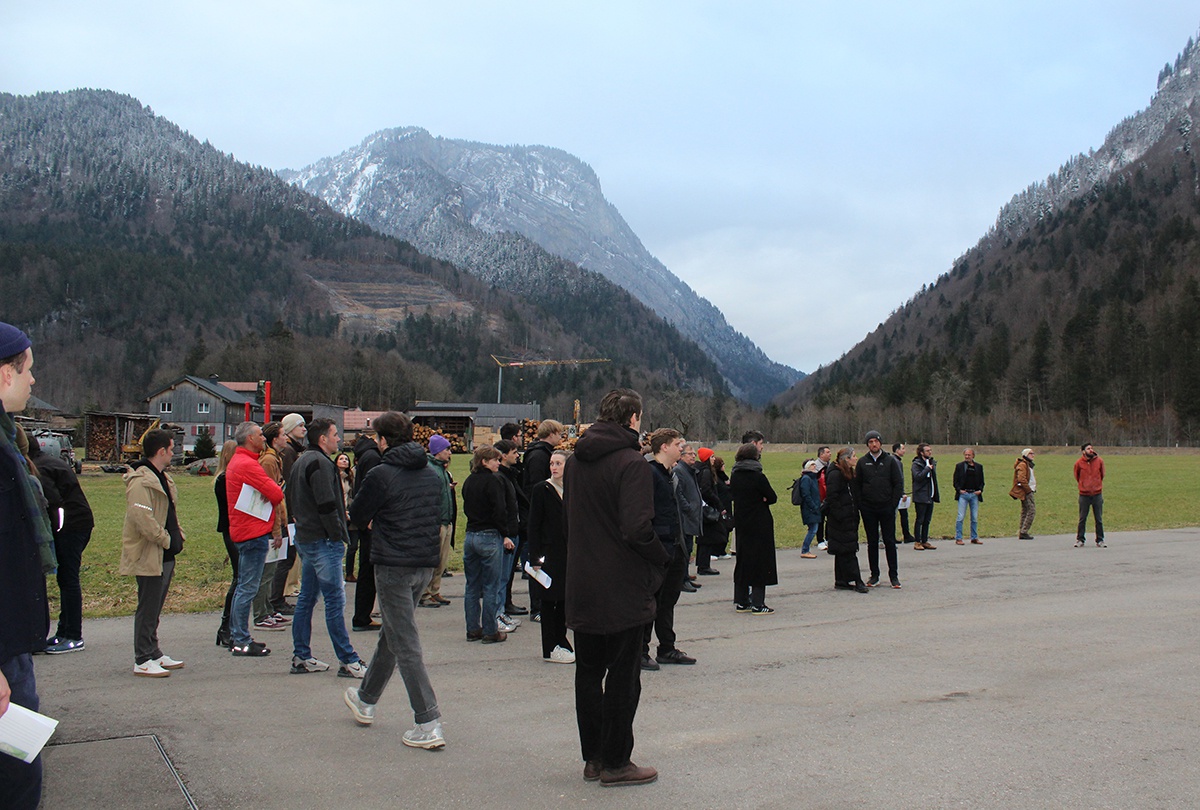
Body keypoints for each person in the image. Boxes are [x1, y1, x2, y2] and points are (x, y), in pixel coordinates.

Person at [564, 389, 667, 787]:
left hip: (583, 580)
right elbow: (637, 528)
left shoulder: (575, 461)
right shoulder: (631, 463)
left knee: (588, 674)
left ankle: (593, 757)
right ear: (634, 418)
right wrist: (661, 557)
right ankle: (616, 761)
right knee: (623, 676)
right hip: (622, 584)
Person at [344, 411, 445, 748]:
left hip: (393, 565)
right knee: (393, 634)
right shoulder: (430, 473)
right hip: (424, 563)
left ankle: (427, 720)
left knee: (406, 644)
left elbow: (358, 515)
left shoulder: (381, 474)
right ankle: (366, 698)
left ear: (383, 440)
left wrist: (374, 518)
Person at [0, 323, 54, 809]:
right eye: (28, 370)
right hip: (3, 651)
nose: (33, 380)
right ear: (5, 374)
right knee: (15, 778)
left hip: (12, 642)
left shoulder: (5, 441)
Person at [288, 418, 366, 679]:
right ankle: (348, 660)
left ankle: (301, 656)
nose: (338, 439)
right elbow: (326, 504)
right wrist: (336, 535)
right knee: (334, 600)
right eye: (334, 434)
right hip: (322, 540)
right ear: (322, 439)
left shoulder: (301, 461)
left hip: (307, 537)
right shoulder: (320, 464)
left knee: (307, 597)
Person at [119, 429, 186, 677]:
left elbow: (168, 511)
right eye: (171, 448)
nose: (173, 453)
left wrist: (177, 535)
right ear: (161, 451)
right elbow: (141, 518)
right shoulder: (140, 481)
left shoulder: (163, 478)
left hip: (165, 554)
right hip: (150, 553)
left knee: (156, 606)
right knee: (147, 607)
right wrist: (165, 539)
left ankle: (154, 651)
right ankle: (142, 658)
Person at [28, 434, 93, 653]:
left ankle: (74, 635)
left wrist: (52, 533)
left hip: (72, 526)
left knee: (69, 578)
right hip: (76, 523)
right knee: (65, 579)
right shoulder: (47, 462)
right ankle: (63, 631)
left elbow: (53, 504)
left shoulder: (39, 469)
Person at [225, 421, 285, 657]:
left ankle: (238, 636)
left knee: (244, 586)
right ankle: (241, 639)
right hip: (252, 532)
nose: (264, 438)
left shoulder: (239, 461)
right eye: (260, 435)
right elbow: (276, 493)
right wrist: (275, 488)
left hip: (246, 530)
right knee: (247, 588)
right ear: (250, 438)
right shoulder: (248, 464)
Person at [643, 428, 694, 669]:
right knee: (650, 602)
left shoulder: (668, 474)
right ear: (664, 447)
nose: (681, 448)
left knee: (667, 602)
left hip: (675, 547)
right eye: (677, 444)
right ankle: (640, 651)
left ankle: (667, 648)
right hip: (658, 550)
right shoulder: (650, 474)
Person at [460, 444, 516, 643]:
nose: (498, 464)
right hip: (490, 535)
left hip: (471, 534)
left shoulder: (469, 481)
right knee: (491, 585)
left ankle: (473, 628)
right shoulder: (493, 481)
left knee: (472, 586)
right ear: (484, 461)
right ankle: (490, 630)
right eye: (495, 460)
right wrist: (505, 533)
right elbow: (499, 510)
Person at [527, 449, 574, 663]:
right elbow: (534, 524)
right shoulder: (542, 489)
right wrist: (535, 557)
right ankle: (550, 646)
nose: (554, 467)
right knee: (549, 600)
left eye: (558, 463)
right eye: (552, 463)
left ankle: (561, 639)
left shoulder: (572, 489)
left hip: (567, 553)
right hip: (548, 553)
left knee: (563, 599)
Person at [730, 442, 779, 614]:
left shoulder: (735, 474)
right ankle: (758, 602)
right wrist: (762, 498)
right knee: (760, 560)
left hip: (742, 521)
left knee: (743, 559)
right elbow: (772, 497)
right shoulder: (758, 476)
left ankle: (741, 600)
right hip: (759, 521)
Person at [252, 421, 291, 633]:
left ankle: (268, 609)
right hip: (269, 522)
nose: (286, 438)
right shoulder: (268, 461)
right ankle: (261, 614)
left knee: (273, 567)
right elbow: (269, 497)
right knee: (266, 572)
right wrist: (276, 529)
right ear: (274, 438)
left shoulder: (276, 458)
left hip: (278, 518)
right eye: (283, 435)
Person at [269, 412, 307, 615]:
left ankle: (276, 597)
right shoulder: (289, 452)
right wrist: (292, 512)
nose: (304, 429)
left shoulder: (292, 450)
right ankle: (276, 599)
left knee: (287, 556)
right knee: (286, 556)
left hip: (288, 511)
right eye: (300, 425)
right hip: (288, 512)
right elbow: (289, 485)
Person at [855, 429, 903, 589]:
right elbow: (857, 485)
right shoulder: (862, 462)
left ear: (880, 443)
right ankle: (874, 575)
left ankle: (894, 576)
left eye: (876, 441)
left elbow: (898, 483)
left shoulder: (890, 461)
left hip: (886, 507)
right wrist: (861, 505)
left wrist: (893, 504)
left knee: (889, 541)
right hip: (868, 508)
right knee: (872, 542)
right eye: (870, 442)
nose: (873, 444)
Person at [493, 439, 528, 629]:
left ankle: (502, 611)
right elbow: (501, 508)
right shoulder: (500, 478)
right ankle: (497, 614)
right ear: (504, 455)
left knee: (505, 576)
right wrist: (506, 532)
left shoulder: (510, 475)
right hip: (507, 533)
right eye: (514, 452)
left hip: (513, 530)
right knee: (501, 578)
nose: (517, 456)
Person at [350, 430, 383, 632]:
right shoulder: (372, 457)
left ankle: (363, 615)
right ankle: (362, 616)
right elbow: (370, 488)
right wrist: (370, 515)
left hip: (364, 519)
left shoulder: (365, 455)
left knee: (367, 569)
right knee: (368, 570)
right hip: (370, 521)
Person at [418, 434, 456, 608]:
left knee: (442, 560)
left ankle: (435, 589)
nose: (450, 453)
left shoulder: (442, 470)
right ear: (438, 451)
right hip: (436, 521)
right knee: (432, 560)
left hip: (446, 520)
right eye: (447, 449)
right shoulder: (430, 469)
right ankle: (424, 593)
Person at [826, 447, 869, 593]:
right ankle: (857, 580)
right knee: (849, 550)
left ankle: (841, 580)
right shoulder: (835, 474)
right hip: (841, 520)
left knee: (842, 550)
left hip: (849, 516)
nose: (856, 458)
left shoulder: (849, 473)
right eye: (854, 456)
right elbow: (832, 497)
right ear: (846, 459)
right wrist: (841, 515)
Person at [213, 440, 238, 648]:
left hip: (235, 528)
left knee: (241, 577)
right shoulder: (224, 479)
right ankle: (226, 625)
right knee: (239, 577)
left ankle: (230, 625)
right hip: (231, 529)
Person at [694, 447, 729, 574]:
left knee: (704, 538)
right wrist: (717, 503)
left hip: (704, 507)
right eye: (712, 457)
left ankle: (702, 564)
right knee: (708, 538)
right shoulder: (706, 472)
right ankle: (704, 565)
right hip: (708, 508)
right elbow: (706, 490)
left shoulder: (700, 470)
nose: (714, 459)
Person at [1074, 444, 1106, 548]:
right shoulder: (1079, 463)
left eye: (1091, 448)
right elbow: (1077, 475)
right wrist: (1084, 485)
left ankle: (1100, 540)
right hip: (1084, 495)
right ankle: (1080, 539)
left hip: (1097, 494)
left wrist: (1096, 485)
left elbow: (1102, 474)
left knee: (1098, 518)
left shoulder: (1099, 461)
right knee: (1082, 518)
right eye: (1088, 449)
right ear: (1083, 451)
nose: (1091, 450)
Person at [953, 448, 985, 545]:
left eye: (969, 455)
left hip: (974, 494)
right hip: (963, 494)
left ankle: (974, 537)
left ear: (973, 456)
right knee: (960, 517)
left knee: (974, 517)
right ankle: (959, 538)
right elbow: (955, 481)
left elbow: (982, 481)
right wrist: (959, 490)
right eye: (966, 455)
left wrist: (980, 490)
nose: (967, 457)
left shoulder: (979, 467)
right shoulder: (959, 466)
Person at [910, 443, 939, 550]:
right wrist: (927, 469)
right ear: (921, 453)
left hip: (930, 495)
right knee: (920, 519)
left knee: (927, 520)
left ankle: (924, 540)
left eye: (930, 450)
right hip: (921, 496)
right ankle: (917, 541)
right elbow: (918, 477)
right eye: (927, 451)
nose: (930, 452)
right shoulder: (916, 464)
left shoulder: (931, 462)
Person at [335, 452, 358, 581]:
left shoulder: (350, 478)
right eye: (341, 459)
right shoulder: (333, 477)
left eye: (346, 459)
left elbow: (351, 495)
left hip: (349, 513)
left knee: (353, 545)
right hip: (338, 513)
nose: (344, 461)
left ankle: (349, 572)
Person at [1010, 449, 1037, 540]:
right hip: (1026, 491)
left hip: (1029, 490)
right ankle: (1024, 531)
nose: (1033, 455)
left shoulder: (1028, 465)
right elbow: (1021, 479)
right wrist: (1028, 490)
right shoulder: (1023, 465)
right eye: (1031, 453)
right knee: (1031, 511)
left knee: (1025, 511)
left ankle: (1022, 531)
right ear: (1026, 455)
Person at [798, 459, 821, 558]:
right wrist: (813, 507)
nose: (814, 466)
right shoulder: (806, 479)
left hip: (814, 507)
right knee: (813, 529)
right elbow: (806, 494)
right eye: (812, 465)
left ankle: (805, 549)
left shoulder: (813, 478)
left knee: (813, 528)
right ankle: (805, 550)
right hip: (810, 508)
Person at [892, 442, 915, 543]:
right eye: (903, 449)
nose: (904, 451)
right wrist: (902, 492)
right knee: (897, 515)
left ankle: (906, 534)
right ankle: (903, 535)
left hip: (897, 492)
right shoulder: (896, 462)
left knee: (903, 513)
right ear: (897, 450)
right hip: (896, 493)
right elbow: (898, 479)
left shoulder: (895, 460)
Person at [815, 445, 831, 550]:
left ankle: (828, 538)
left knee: (830, 519)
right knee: (820, 520)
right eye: (827, 452)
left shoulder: (830, 465)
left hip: (829, 497)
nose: (830, 454)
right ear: (821, 454)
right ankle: (820, 540)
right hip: (818, 498)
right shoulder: (815, 466)